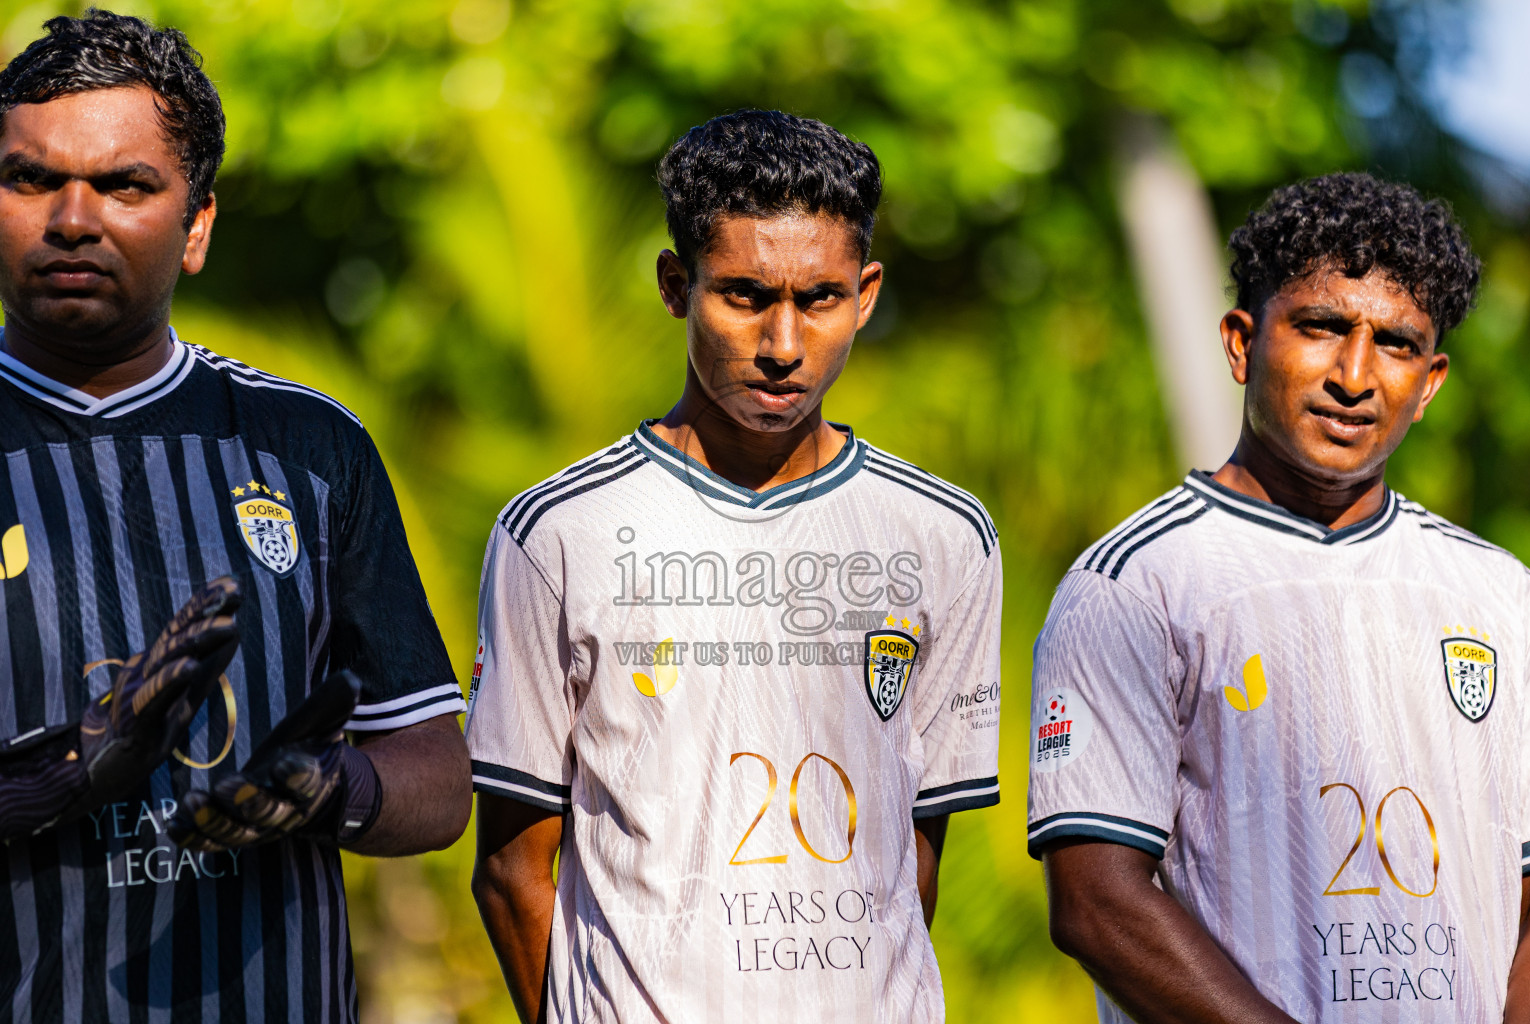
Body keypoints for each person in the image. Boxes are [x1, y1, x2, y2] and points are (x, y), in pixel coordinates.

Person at [467, 109, 1003, 1023]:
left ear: (866, 294)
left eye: (821, 299)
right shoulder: (559, 532)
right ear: (678, 285)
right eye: (747, 295)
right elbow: (514, 871)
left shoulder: (942, 533)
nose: (784, 345)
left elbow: (912, 855)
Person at [0, 10, 470, 1022]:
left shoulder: (307, 446)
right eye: (31, 179)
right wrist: (61, 776)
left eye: (125, 185)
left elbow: (436, 772)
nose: (72, 218)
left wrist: (332, 787)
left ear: (198, 224)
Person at [1028, 172, 1530, 1022]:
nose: (1355, 374)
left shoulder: (1499, 594)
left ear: (1433, 380)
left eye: (1397, 344)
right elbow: (1097, 907)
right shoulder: (1135, 583)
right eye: (1322, 326)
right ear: (1241, 341)